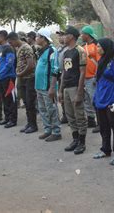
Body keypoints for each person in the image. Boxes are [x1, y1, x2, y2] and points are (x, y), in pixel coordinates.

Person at [92, 38, 114, 166]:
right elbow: (99, 81)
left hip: (112, 100)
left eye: (100, 47)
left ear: (107, 47)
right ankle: (105, 150)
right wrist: (95, 98)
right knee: (103, 127)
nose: (98, 49)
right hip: (100, 99)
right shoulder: (102, 60)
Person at [59, 26, 87, 155]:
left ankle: (82, 142)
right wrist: (60, 90)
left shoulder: (79, 51)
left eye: (65, 35)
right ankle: (75, 139)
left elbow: (82, 73)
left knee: (79, 115)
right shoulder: (66, 52)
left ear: (71, 36)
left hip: (75, 87)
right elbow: (64, 72)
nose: (63, 37)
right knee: (70, 115)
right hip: (66, 87)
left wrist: (80, 92)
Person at [7, 32, 37, 133]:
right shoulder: (18, 48)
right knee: (25, 102)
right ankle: (29, 123)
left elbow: (31, 65)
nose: (11, 44)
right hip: (23, 79)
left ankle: (33, 125)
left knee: (30, 102)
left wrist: (20, 74)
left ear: (15, 39)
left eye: (11, 42)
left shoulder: (26, 48)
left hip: (29, 78)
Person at [35, 28, 62, 142]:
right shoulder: (41, 51)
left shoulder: (52, 51)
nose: (36, 38)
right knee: (42, 109)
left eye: (38, 36)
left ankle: (56, 131)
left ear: (43, 38)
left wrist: (52, 87)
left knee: (51, 109)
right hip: (39, 86)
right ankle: (47, 130)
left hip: (47, 86)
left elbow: (55, 69)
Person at [0, 30, 17, 128]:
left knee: (10, 99)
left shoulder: (9, 49)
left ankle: (12, 119)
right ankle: (7, 118)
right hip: (0, 78)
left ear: (3, 37)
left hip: (8, 78)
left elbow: (9, 64)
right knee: (4, 98)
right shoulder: (0, 49)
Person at [80, 25, 100, 132]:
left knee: (94, 100)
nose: (81, 35)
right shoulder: (83, 47)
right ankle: (91, 120)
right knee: (87, 100)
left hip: (93, 77)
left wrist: (97, 76)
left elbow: (100, 62)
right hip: (84, 78)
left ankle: (100, 122)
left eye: (82, 33)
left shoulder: (96, 46)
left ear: (87, 35)